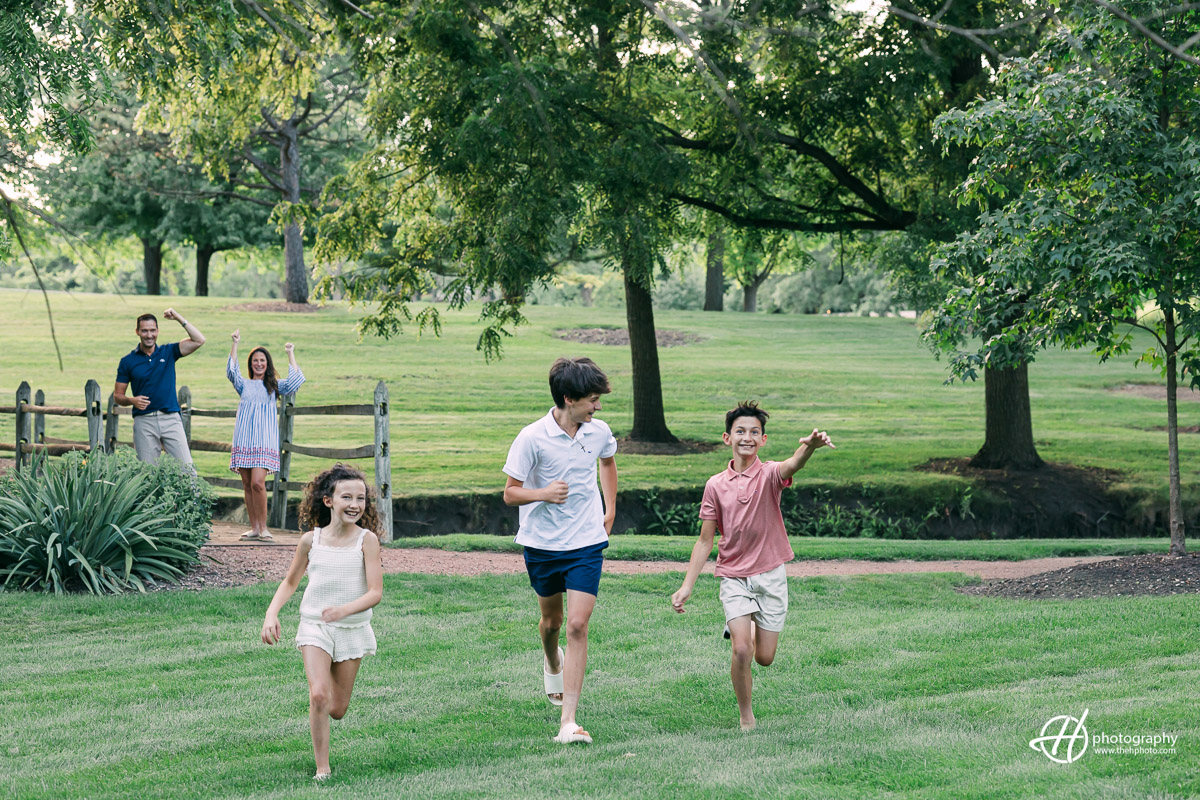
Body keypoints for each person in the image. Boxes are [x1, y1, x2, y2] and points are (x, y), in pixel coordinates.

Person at [671, 401, 834, 731]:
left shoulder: (770, 474)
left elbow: (792, 465)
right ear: (727, 437)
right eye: (740, 431)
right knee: (742, 650)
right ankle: (746, 717)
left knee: (764, 657)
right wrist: (686, 585)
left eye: (754, 432)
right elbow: (705, 540)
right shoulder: (715, 485)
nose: (747, 437)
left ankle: (742, 625)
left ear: (763, 440)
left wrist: (810, 449)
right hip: (733, 576)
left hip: (770, 575)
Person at [502, 357, 618, 745]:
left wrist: (611, 507)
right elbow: (510, 492)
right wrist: (543, 494)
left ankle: (568, 721)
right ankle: (552, 658)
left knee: (577, 625)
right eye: (592, 399)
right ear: (569, 399)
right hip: (542, 544)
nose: (598, 406)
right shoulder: (531, 437)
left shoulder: (598, 431)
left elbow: (608, 462)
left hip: (586, 541)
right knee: (552, 624)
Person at [260, 464, 383, 781]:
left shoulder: (366, 541)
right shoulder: (309, 541)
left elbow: (375, 593)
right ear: (329, 501)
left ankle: (322, 714)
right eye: (347, 497)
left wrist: (344, 610)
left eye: (361, 498)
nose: (355, 504)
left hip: (352, 629)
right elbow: (290, 582)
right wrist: (271, 614)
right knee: (318, 695)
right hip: (314, 625)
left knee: (337, 708)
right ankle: (322, 769)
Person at [227, 330, 305, 541]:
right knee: (247, 484)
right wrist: (235, 343)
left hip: (263, 440)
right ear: (250, 363)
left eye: (262, 360)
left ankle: (264, 528)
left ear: (267, 363)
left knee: (258, 483)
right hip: (243, 438)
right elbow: (231, 371)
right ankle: (254, 528)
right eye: (255, 360)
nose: (258, 364)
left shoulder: (274, 386)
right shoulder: (243, 384)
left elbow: (296, 380)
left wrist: (290, 353)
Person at [114, 309, 205, 466]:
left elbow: (199, 340)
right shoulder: (127, 361)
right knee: (147, 475)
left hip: (171, 419)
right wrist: (131, 400)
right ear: (137, 332)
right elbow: (118, 396)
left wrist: (178, 317)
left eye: (152, 330)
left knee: (187, 470)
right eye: (144, 331)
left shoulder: (168, 352)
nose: (149, 335)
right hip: (144, 422)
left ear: (157, 331)